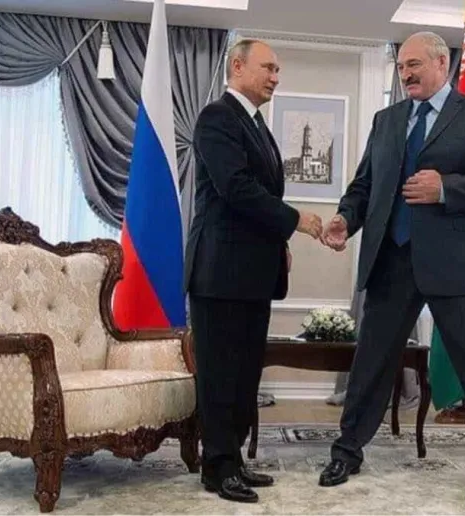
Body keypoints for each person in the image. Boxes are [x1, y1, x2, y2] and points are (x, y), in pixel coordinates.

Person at [318, 31, 465, 506]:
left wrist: (446, 188)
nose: (406, 73)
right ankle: (347, 452)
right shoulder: (387, 120)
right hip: (391, 259)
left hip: (456, 264)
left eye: (414, 64)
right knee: (370, 364)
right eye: (401, 67)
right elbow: (365, 184)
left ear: (441, 63)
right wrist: (345, 219)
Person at [184, 38, 323, 504]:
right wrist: (295, 221)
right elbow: (236, 188)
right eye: (268, 68)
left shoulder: (256, 124)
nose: (275, 77)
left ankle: (234, 459)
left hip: (253, 273)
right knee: (221, 375)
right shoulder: (217, 117)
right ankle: (217, 467)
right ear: (238, 66)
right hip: (220, 273)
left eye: (278, 70)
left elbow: (258, 196)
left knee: (244, 376)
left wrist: (277, 245)